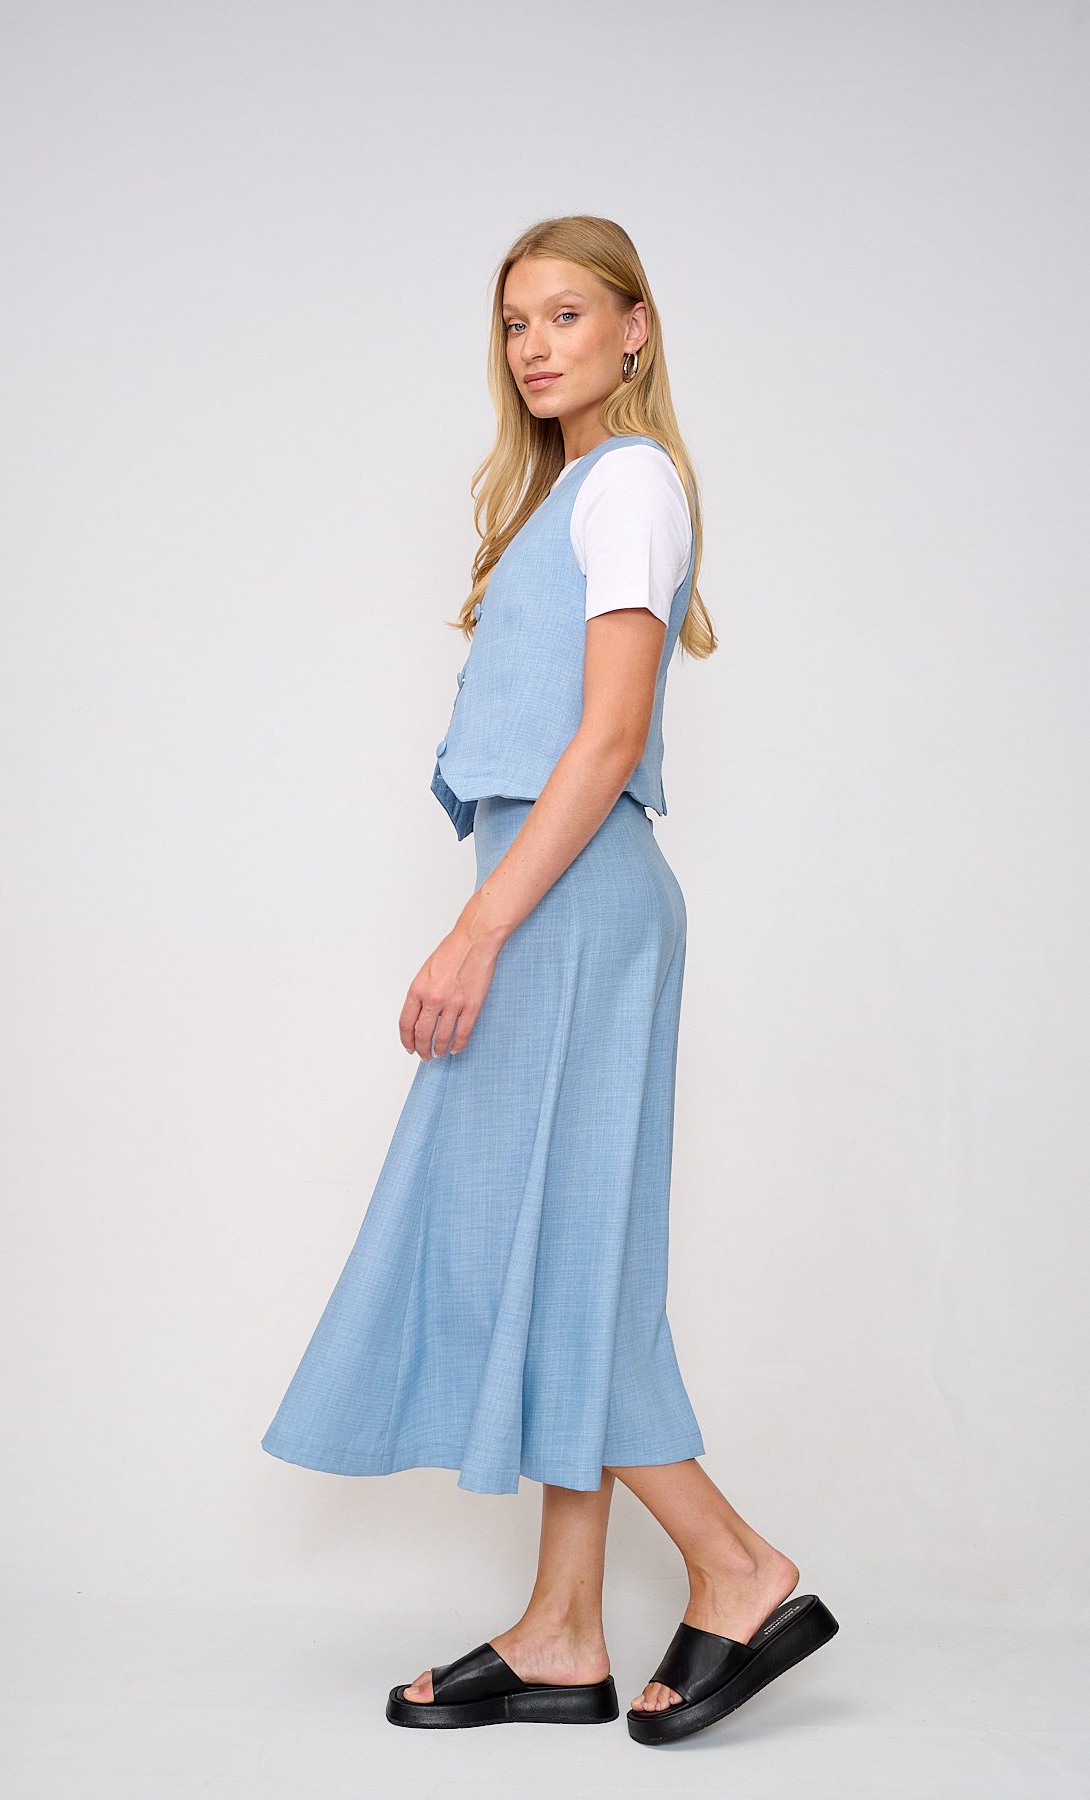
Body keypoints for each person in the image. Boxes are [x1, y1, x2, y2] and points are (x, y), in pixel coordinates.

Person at [260, 215, 838, 1743]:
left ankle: (738, 1569)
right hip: (560, 894)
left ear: (635, 328)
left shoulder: (631, 482)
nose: (535, 346)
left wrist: (477, 930)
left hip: (568, 902)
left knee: (522, 1262)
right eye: (516, 321)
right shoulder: (571, 496)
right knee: (555, 1257)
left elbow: (608, 735)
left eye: (568, 314)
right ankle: (565, 1631)